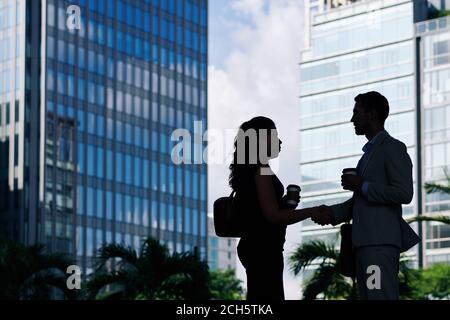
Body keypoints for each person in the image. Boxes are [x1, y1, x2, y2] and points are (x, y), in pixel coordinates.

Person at [313, 92, 420, 300]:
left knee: (378, 297)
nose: (352, 119)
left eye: (356, 112)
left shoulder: (392, 148)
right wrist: (331, 213)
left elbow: (404, 193)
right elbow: (360, 202)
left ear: (372, 114)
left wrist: (362, 185)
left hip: (377, 246)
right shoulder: (368, 155)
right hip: (365, 247)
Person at [229, 116, 321, 300]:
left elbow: (261, 209)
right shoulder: (261, 169)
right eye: (274, 136)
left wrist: (284, 202)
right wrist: (312, 211)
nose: (280, 141)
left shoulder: (250, 169)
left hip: (256, 247)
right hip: (263, 249)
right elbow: (272, 216)